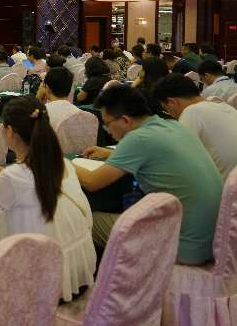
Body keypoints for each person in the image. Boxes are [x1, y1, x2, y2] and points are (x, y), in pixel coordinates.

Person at [0, 96, 96, 303]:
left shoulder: (15, 177)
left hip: (42, 282)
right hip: (75, 271)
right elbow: (32, 184)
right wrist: (5, 175)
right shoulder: (62, 162)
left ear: (10, 131)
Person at [75, 85, 222, 265]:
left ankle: (111, 277)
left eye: (107, 124)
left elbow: (92, 182)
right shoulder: (173, 125)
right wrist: (111, 153)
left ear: (125, 120)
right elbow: (156, 154)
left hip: (182, 247)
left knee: (83, 219)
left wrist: (63, 163)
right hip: (210, 241)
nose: (107, 130)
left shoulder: (138, 139)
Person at [154, 73, 237, 180]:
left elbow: (180, 161)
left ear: (171, 102)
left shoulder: (191, 112)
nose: (169, 113)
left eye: (165, 108)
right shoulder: (222, 105)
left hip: (225, 186)